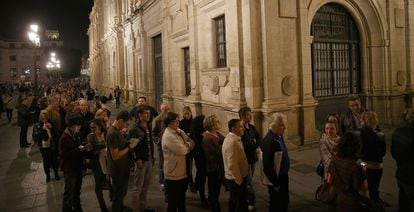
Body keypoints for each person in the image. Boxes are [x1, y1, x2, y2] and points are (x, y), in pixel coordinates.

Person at [106, 110, 139, 212]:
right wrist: (130, 147)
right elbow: (115, 156)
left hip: (122, 168)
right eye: (126, 123)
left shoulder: (117, 131)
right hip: (118, 170)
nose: (126, 126)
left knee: (121, 193)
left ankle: (120, 208)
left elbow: (119, 146)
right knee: (117, 195)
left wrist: (128, 142)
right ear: (120, 120)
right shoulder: (113, 133)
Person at [162, 112, 195, 212]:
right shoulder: (168, 136)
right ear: (168, 123)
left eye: (177, 121)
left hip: (182, 172)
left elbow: (191, 141)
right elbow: (181, 150)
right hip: (173, 173)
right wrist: (188, 146)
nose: (177, 123)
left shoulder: (179, 131)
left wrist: (187, 145)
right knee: (172, 203)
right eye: (174, 122)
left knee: (181, 201)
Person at [260, 113, 290, 212]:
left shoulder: (278, 136)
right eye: (282, 125)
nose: (285, 127)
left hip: (283, 175)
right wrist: (275, 183)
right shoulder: (269, 142)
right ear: (274, 126)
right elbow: (267, 167)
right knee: (276, 204)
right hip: (277, 178)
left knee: (284, 201)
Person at [128, 106, 155, 212]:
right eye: (145, 113)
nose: (148, 115)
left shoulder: (148, 126)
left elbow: (149, 142)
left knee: (145, 185)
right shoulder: (135, 129)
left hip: (149, 159)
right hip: (141, 161)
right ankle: (136, 209)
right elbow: (131, 146)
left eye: (148, 113)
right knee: (137, 187)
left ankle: (143, 207)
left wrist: (152, 157)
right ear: (139, 115)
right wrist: (137, 159)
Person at [331, 132, 368, 212]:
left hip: (340, 198)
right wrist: (363, 170)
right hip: (353, 203)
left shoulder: (334, 159)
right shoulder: (356, 166)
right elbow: (363, 190)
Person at [360, 111, 388, 207]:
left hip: (364, 164)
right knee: (374, 185)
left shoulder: (361, 133)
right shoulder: (380, 134)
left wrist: (362, 163)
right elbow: (383, 152)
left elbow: (360, 151)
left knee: (368, 185)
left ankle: (373, 201)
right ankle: (375, 201)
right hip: (377, 165)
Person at [59, 112, 86, 212]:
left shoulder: (76, 134)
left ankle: (77, 208)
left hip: (77, 167)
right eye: (78, 125)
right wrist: (78, 149)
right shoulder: (64, 137)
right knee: (69, 192)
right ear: (72, 125)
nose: (79, 127)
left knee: (77, 191)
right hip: (69, 169)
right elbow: (63, 155)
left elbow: (78, 146)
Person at [222, 118, 248, 212]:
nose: (243, 128)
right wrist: (239, 180)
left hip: (235, 178)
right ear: (233, 129)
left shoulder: (233, 139)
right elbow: (232, 165)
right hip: (236, 180)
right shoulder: (232, 142)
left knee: (234, 202)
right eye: (241, 126)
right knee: (239, 204)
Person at [391, 110, 414, 212]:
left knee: (403, 201)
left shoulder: (397, 131)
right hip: (411, 176)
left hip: (401, 173)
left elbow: (393, 153)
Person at [238, 107, 261, 210]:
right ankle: (251, 201)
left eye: (250, 114)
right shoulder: (240, 129)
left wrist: (254, 143)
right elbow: (245, 145)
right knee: (249, 182)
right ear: (242, 116)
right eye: (248, 114)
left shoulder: (251, 127)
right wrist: (254, 143)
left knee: (248, 180)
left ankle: (244, 197)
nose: (250, 116)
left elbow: (259, 137)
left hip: (252, 159)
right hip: (245, 159)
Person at [86, 118, 110, 212]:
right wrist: (100, 146)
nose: (92, 129)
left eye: (93, 127)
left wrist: (97, 146)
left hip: (108, 160)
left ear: (99, 126)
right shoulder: (90, 136)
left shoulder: (106, 133)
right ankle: (102, 205)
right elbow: (92, 148)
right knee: (98, 184)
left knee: (110, 181)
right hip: (97, 162)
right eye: (90, 127)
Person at [202, 115, 225, 211]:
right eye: (216, 121)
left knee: (217, 190)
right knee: (213, 191)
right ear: (211, 125)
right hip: (213, 168)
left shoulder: (216, 134)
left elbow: (225, 141)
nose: (219, 122)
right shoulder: (208, 138)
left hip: (218, 167)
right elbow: (219, 151)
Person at [152, 102, 170, 193]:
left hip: (170, 145)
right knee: (162, 163)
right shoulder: (157, 120)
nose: (166, 111)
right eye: (165, 110)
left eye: (168, 109)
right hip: (162, 145)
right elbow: (153, 134)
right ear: (161, 109)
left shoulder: (171, 119)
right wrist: (159, 141)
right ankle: (162, 182)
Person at [38, 110, 60, 182]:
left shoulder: (51, 123)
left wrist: (51, 128)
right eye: (43, 118)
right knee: (46, 161)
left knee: (54, 160)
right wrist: (42, 129)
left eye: (46, 118)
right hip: (44, 146)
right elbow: (37, 136)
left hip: (52, 144)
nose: (45, 120)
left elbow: (56, 133)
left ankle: (56, 174)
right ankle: (48, 175)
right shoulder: (39, 124)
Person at [192, 115, 208, 207]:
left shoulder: (201, 134)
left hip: (201, 159)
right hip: (201, 158)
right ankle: (202, 197)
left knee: (200, 174)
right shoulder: (198, 136)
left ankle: (196, 186)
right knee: (201, 175)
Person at [179, 106, 194, 190]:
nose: (187, 115)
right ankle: (190, 181)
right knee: (188, 166)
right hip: (186, 147)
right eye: (185, 114)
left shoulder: (193, 122)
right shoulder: (181, 123)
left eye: (188, 113)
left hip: (193, 146)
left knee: (191, 165)